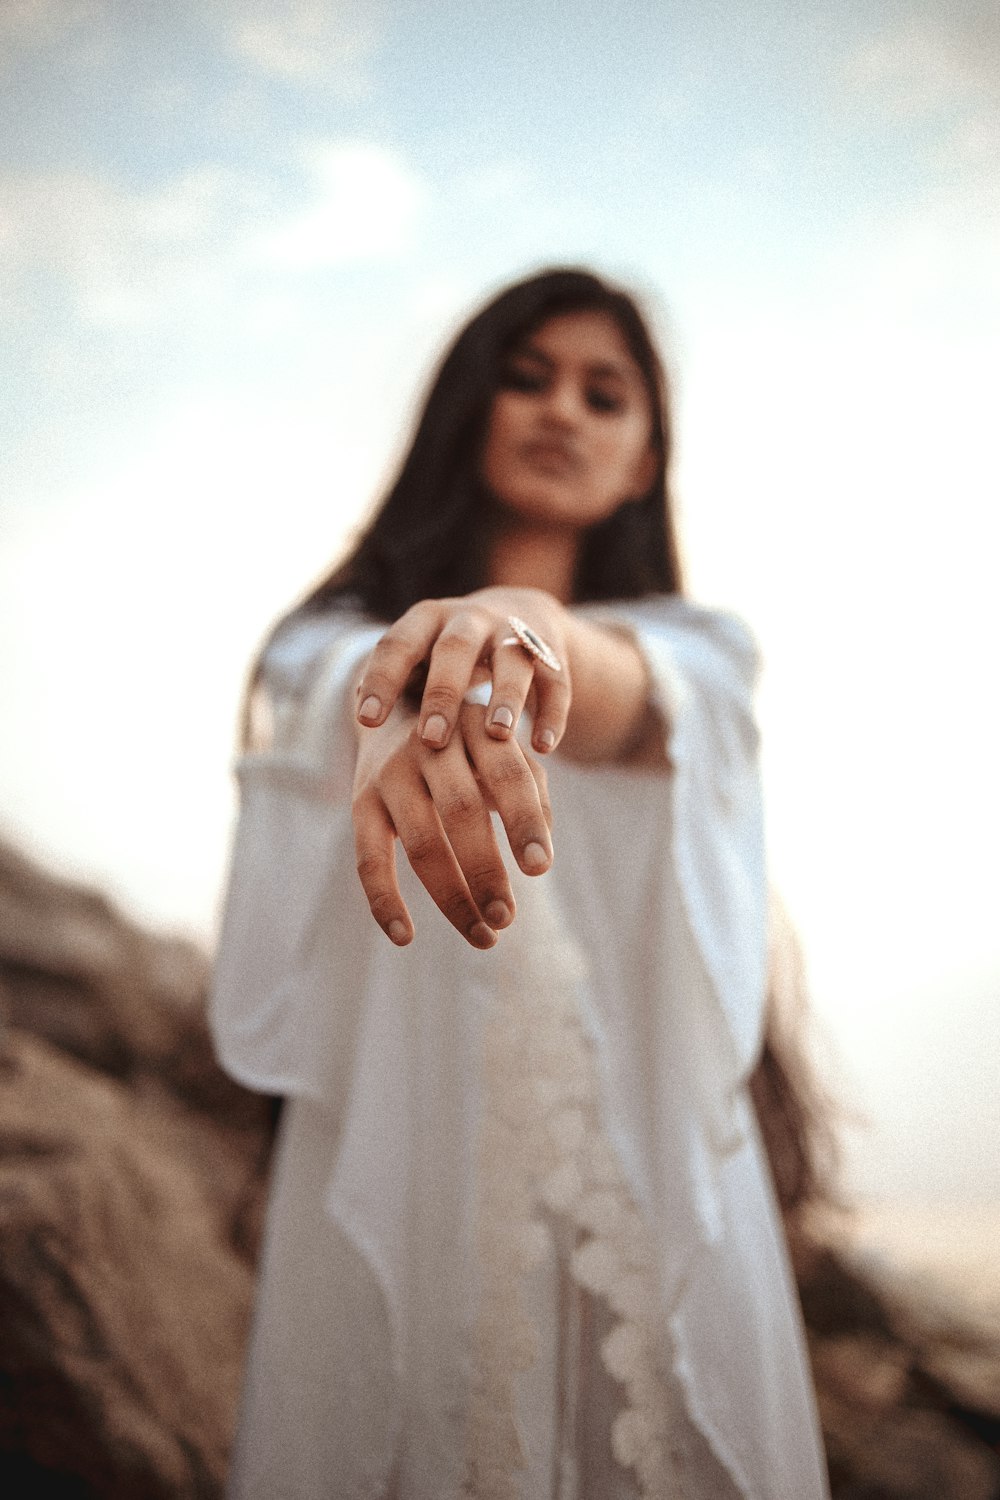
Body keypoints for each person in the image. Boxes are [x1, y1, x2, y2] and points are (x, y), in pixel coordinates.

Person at [210, 267, 831, 1500]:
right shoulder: (319, 654)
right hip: (396, 1167)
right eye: (527, 375)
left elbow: (616, 695)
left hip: (646, 1180)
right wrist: (406, 682)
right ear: (466, 406)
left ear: (646, 457)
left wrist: (507, 628)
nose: (562, 410)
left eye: (605, 394)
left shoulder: (699, 656)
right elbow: (341, 691)